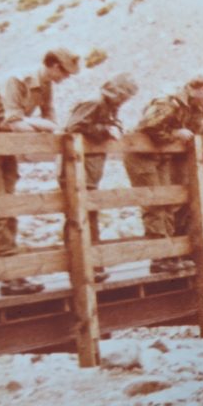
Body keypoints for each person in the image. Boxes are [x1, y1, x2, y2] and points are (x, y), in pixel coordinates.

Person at [0, 47, 79, 295]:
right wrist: (42, 125)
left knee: (10, 206)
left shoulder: (46, 85)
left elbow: (49, 118)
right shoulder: (16, 80)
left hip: (7, 144)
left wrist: (44, 125)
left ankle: (13, 272)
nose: (65, 78)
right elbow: (14, 121)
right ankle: (9, 276)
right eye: (64, 72)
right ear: (53, 66)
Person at [123, 71, 203, 274]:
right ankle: (160, 256)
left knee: (168, 203)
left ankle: (170, 252)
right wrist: (174, 133)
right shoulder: (169, 103)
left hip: (160, 157)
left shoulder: (191, 107)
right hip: (141, 156)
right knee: (155, 204)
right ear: (199, 90)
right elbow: (147, 126)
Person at [60, 73, 139, 282]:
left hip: (89, 170)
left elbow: (114, 124)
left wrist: (113, 128)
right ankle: (80, 266)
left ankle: (92, 264)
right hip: (77, 169)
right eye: (124, 96)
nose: (124, 101)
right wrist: (105, 129)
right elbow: (73, 128)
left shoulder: (110, 107)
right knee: (79, 217)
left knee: (90, 214)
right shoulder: (93, 102)